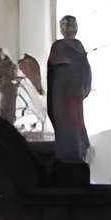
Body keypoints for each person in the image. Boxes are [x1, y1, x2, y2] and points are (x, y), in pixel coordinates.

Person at [45, 13, 93, 166]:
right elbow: (51, 70)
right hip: (59, 90)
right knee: (62, 119)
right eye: (65, 26)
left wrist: (86, 85)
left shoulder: (78, 46)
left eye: (71, 25)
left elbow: (86, 68)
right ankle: (64, 152)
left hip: (74, 90)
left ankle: (76, 150)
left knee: (74, 119)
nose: (69, 29)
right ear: (61, 29)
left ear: (76, 28)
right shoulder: (57, 46)